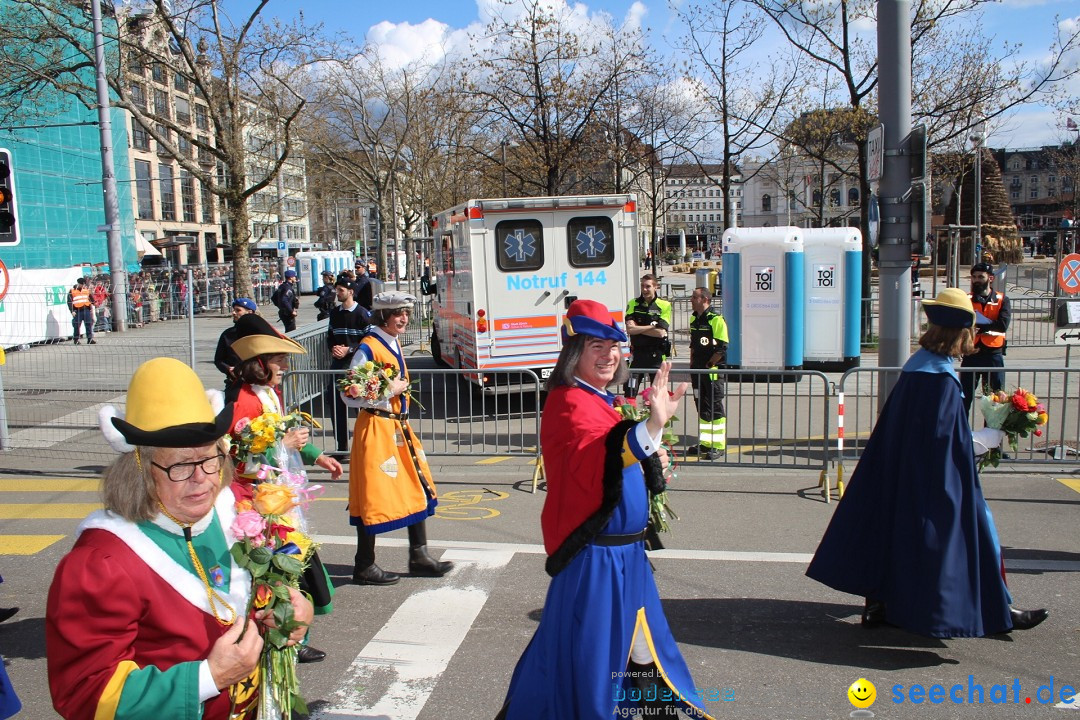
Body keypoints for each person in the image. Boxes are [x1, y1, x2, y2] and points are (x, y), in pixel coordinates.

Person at [46, 357, 314, 719]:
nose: (202, 478)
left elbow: (275, 586)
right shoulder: (100, 564)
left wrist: (294, 606)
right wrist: (208, 677)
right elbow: (87, 694)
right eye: (180, 465)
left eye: (209, 459)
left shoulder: (236, 507)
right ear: (138, 469)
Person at [496, 300, 713, 719]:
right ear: (573, 353)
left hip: (626, 557)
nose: (609, 355)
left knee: (643, 650)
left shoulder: (602, 399)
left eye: (614, 345)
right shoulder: (568, 402)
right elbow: (599, 454)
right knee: (595, 662)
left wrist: (655, 456)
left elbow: (622, 459)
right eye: (596, 345)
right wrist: (652, 428)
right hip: (597, 561)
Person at [806, 288, 1048, 638]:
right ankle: (993, 612)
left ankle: (881, 604)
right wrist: (985, 440)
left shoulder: (919, 366)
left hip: (901, 471)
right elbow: (945, 442)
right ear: (962, 332)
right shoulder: (941, 379)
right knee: (971, 535)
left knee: (891, 532)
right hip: (933, 479)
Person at [228, 313, 344, 663]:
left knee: (291, 565)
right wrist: (287, 445)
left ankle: (291, 636)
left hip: (276, 495)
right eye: (279, 361)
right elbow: (241, 459)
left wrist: (317, 455)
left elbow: (280, 434)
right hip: (256, 501)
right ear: (260, 363)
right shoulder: (244, 401)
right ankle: (285, 639)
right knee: (281, 569)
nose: (284, 367)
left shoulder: (268, 394)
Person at [342, 291, 452, 586]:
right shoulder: (368, 347)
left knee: (416, 483)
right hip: (377, 428)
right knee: (373, 495)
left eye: (406, 313)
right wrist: (392, 390)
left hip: (396, 428)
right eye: (398, 313)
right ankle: (364, 565)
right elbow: (349, 394)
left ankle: (420, 555)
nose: (404, 318)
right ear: (383, 316)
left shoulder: (389, 342)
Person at [328, 278, 372, 453]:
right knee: (335, 402)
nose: (337, 294)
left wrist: (350, 349)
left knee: (360, 404)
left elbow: (369, 341)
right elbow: (330, 336)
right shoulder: (335, 313)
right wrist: (334, 348)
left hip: (357, 366)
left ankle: (365, 445)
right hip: (338, 364)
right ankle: (342, 446)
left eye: (340, 290)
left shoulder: (362, 314)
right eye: (336, 290)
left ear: (350, 292)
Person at [961, 261, 1011, 413]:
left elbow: (1002, 325)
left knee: (995, 399)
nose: (976, 280)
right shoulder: (967, 299)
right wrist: (989, 323)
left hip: (993, 354)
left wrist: (981, 325)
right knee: (964, 397)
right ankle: (961, 433)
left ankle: (990, 433)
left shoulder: (1002, 300)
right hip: (972, 352)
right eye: (974, 277)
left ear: (990, 278)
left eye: (980, 277)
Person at [688, 286, 728, 459]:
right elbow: (693, 345)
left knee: (715, 407)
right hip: (696, 371)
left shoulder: (716, 319)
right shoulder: (694, 318)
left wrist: (709, 364)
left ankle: (718, 445)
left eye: (694, 297)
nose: (691, 299)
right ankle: (705, 443)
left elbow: (722, 348)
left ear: (705, 299)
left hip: (711, 372)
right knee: (702, 408)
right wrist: (692, 364)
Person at [624, 274, 672, 395]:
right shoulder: (633, 303)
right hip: (637, 355)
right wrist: (652, 327)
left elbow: (661, 333)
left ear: (656, 287)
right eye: (642, 286)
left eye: (648, 286)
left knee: (657, 394)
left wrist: (638, 328)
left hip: (656, 356)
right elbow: (630, 329)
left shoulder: (664, 305)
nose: (644, 289)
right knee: (630, 392)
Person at [213, 297, 257, 403]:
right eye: (233, 310)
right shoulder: (227, 335)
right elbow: (219, 359)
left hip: (256, 383)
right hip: (233, 384)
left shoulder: (258, 334)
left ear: (249, 312)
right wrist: (228, 369)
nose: (233, 313)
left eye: (238, 310)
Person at [67, 276, 95, 345]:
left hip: (86, 310)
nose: (83, 286)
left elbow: (92, 299)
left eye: (84, 284)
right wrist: (72, 311)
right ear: (78, 284)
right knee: (76, 325)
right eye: (82, 284)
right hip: (77, 311)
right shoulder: (72, 291)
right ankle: (76, 339)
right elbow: (69, 302)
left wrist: (92, 305)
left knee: (88, 324)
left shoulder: (86, 290)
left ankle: (90, 339)